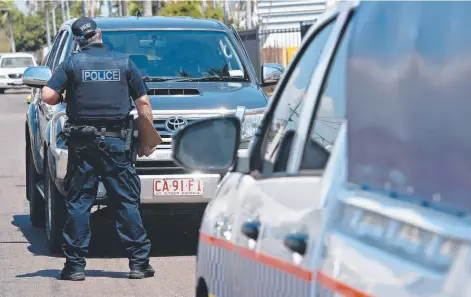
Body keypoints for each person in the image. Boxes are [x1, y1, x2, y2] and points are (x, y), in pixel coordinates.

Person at [41, 17, 155, 281]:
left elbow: (48, 96)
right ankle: (138, 264)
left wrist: (64, 92)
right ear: (100, 34)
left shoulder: (72, 63)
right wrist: (147, 139)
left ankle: (75, 266)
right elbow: (143, 103)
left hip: (82, 146)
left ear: (78, 40)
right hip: (117, 144)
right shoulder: (123, 62)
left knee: (80, 203)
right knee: (126, 202)